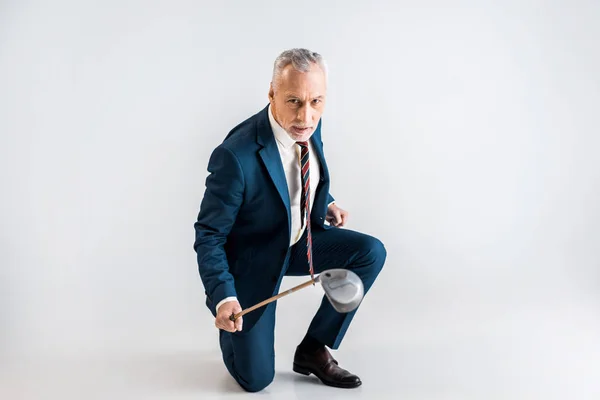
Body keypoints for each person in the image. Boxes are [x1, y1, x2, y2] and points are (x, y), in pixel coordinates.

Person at [193, 48, 386, 392]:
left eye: (316, 101)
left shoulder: (309, 123)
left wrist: (327, 201)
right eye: (294, 101)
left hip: (300, 243)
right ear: (272, 93)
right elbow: (209, 234)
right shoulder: (234, 157)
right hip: (254, 259)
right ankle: (236, 340)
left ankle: (312, 350)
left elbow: (297, 171)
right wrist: (224, 298)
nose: (306, 116)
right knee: (256, 380)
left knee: (370, 252)